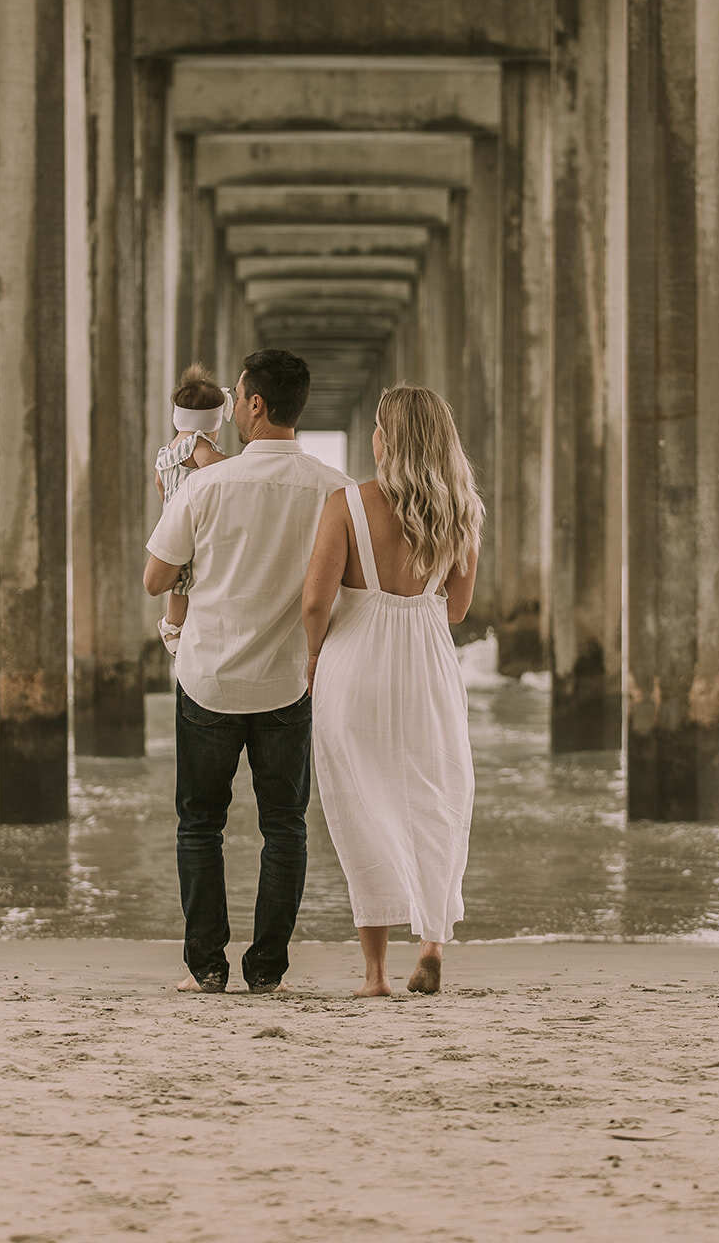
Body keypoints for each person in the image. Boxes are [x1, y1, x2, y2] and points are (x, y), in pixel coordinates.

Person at [143, 349, 351, 996]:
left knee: (200, 825)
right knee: (284, 827)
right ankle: (266, 972)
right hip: (288, 680)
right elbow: (346, 588)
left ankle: (207, 967)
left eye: (236, 396)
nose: (232, 406)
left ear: (256, 404)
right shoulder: (334, 488)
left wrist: (170, 502)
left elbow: (156, 579)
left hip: (208, 678)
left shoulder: (206, 484)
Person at [302, 384, 483, 998]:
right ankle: (431, 942)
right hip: (427, 663)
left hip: (355, 663)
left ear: (389, 439)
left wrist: (313, 656)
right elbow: (457, 608)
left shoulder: (347, 504)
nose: (373, 435)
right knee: (437, 797)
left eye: (379, 426)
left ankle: (375, 974)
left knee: (360, 807)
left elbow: (314, 602)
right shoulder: (460, 511)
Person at [153, 361, 233, 656]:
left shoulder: (168, 450)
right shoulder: (198, 443)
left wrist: (168, 508)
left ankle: (174, 622)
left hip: (172, 521)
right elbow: (210, 464)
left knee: (180, 578)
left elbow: (159, 483)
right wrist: (242, 463)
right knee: (185, 579)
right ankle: (172, 625)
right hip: (191, 523)